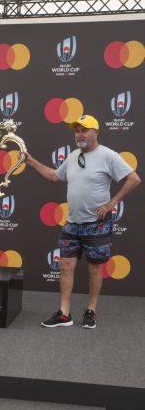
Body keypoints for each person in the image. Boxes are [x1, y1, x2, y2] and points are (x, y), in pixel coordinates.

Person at [25, 115, 140, 328]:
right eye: (77, 131)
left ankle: (91, 311)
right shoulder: (72, 156)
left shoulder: (108, 155)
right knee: (66, 265)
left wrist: (110, 204)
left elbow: (133, 179)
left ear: (96, 132)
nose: (80, 134)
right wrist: (30, 161)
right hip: (72, 223)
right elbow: (54, 176)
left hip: (97, 223)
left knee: (94, 269)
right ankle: (64, 314)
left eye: (84, 130)